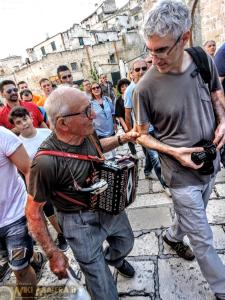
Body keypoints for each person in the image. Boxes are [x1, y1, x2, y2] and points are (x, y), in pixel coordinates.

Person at [133, 1, 225, 299]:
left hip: (210, 163)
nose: (153, 57)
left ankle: (172, 237)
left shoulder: (202, 58)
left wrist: (223, 120)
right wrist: (176, 153)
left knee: (188, 219)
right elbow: (141, 136)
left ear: (184, 38)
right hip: (179, 174)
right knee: (202, 237)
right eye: (150, 49)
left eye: (161, 49)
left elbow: (216, 94)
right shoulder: (144, 88)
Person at [25, 86, 139, 300]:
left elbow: (98, 146)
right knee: (103, 290)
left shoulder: (86, 131)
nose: (93, 114)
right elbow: (33, 213)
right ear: (63, 123)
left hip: (108, 207)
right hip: (79, 224)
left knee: (126, 243)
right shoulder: (45, 162)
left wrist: (122, 138)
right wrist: (53, 253)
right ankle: (97, 270)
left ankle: (112, 260)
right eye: (86, 111)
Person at [8, 106, 68, 252]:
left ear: (31, 117)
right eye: (19, 122)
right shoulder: (18, 144)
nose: (24, 124)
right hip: (39, 182)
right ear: (15, 126)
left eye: (25, 119)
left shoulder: (46, 133)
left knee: (65, 204)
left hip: (59, 177)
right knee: (47, 209)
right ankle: (61, 234)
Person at [0, 126, 46, 299]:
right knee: (10, 257)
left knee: (19, 269)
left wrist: (33, 209)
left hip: (15, 215)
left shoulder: (3, 135)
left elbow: (28, 170)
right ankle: (35, 258)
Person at [91, 82, 116, 159]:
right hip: (100, 133)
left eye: (97, 87)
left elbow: (112, 113)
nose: (96, 89)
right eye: (93, 88)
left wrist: (114, 123)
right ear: (91, 91)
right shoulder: (90, 104)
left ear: (100, 88)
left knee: (114, 153)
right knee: (107, 155)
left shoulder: (107, 99)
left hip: (111, 130)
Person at [115, 78, 137, 156]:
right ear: (120, 89)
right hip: (126, 123)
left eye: (126, 86)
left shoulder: (134, 95)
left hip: (136, 121)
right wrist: (126, 128)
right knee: (130, 140)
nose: (124, 88)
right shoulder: (118, 101)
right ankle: (134, 154)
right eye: (122, 87)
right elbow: (120, 116)